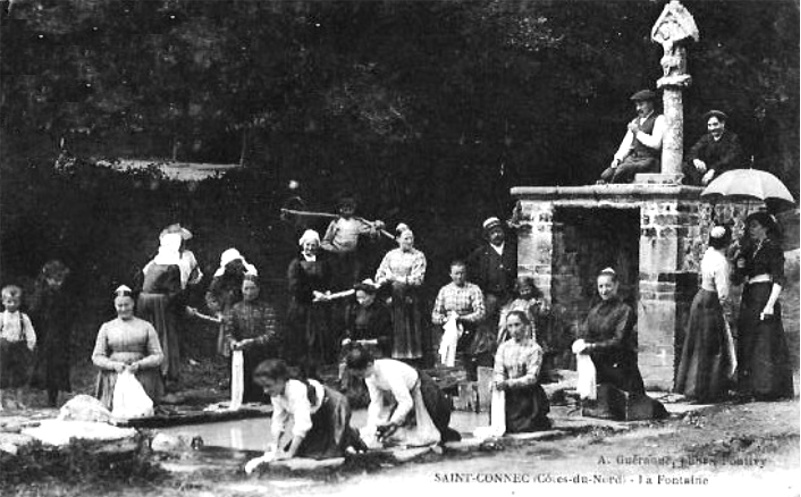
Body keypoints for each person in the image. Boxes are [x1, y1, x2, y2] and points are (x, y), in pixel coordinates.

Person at [574, 268, 667, 420]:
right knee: (599, 403)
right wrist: (581, 343)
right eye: (601, 287)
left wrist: (592, 347)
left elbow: (618, 341)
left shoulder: (625, 311)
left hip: (620, 366)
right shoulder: (595, 311)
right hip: (599, 364)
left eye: (608, 286)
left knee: (634, 409)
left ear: (616, 286)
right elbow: (586, 333)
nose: (604, 290)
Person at [250, 359, 364, 461]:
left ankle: (352, 437)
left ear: (281, 380)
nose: (265, 391)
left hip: (335, 406)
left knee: (332, 452)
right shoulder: (276, 395)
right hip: (316, 413)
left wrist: (290, 453)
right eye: (263, 387)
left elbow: (302, 425)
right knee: (308, 451)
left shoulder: (296, 391)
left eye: (268, 386)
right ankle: (350, 435)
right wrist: (275, 445)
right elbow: (278, 420)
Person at [345, 346, 460, 448]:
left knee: (426, 437)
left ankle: (443, 431)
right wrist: (372, 425)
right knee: (387, 436)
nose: (360, 378)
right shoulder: (369, 377)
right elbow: (375, 403)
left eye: (360, 374)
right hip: (406, 399)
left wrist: (393, 422)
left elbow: (406, 402)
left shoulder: (390, 372)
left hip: (422, 392)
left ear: (369, 365)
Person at [733, 212, 794, 400]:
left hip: (765, 294)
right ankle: (749, 386)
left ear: (765, 228)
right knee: (749, 338)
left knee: (765, 340)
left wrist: (769, 305)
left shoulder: (773, 248)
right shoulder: (749, 248)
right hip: (750, 296)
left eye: (755, 226)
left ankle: (767, 388)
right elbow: (738, 279)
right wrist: (740, 265)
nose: (751, 230)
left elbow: (778, 279)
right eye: (749, 226)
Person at [675, 226, 737, 402]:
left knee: (698, 343)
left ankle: (693, 386)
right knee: (712, 345)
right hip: (710, 302)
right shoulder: (721, 262)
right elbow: (723, 293)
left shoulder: (708, 254)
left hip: (700, 298)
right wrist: (729, 313)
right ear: (727, 241)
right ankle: (707, 389)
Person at [92, 285, 164, 410]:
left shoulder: (146, 326)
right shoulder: (107, 327)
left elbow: (158, 355)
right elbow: (97, 356)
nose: (123, 309)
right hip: (114, 375)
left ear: (133, 304)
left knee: (141, 409)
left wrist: (140, 364)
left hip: (141, 375)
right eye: (120, 306)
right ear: (115, 307)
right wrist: (113, 365)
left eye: (127, 305)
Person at [222, 275, 281, 404]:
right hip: (243, 354)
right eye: (246, 288)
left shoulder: (266, 308)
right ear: (242, 290)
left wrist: (254, 342)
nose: (249, 292)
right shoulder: (235, 309)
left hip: (263, 353)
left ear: (258, 290)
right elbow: (228, 331)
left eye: (252, 288)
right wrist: (233, 342)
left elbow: (272, 333)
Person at [375, 224, 427, 364]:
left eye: (411, 238)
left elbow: (417, 279)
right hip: (392, 295)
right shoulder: (390, 255)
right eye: (405, 239)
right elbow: (379, 275)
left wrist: (396, 279)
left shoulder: (418, 256)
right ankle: (394, 357)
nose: (409, 242)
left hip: (410, 296)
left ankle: (412, 358)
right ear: (397, 239)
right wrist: (385, 280)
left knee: (409, 326)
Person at [493, 311, 551, 433]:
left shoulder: (534, 348)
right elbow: (498, 371)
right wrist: (498, 381)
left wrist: (509, 383)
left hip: (528, 395)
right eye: (510, 326)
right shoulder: (503, 348)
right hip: (509, 396)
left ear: (526, 325)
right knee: (501, 425)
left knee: (525, 426)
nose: (514, 330)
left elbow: (532, 377)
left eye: (517, 325)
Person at [137, 232, 183, 384]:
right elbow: (174, 293)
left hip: (144, 302)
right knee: (165, 336)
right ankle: (165, 375)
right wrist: (181, 308)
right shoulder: (172, 267)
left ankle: (151, 374)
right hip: (160, 305)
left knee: (150, 335)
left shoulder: (152, 264)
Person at [29, 260, 75, 407]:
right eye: (54, 280)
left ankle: (54, 396)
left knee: (58, 365)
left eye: (60, 280)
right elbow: (34, 313)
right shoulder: (41, 294)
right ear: (47, 279)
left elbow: (70, 313)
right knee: (47, 365)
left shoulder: (64, 295)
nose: (58, 283)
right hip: (46, 334)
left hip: (60, 334)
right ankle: (48, 395)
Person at [431, 260, 486, 379]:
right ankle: (447, 373)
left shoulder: (474, 289)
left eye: (462, 273)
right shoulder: (444, 290)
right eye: (456, 273)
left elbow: (480, 312)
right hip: (447, 326)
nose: (459, 276)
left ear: (465, 274)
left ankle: (466, 374)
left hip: (468, 325)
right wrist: (445, 320)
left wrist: (462, 318)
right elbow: (435, 314)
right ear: (450, 275)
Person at [286, 230, 334, 364]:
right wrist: (312, 293)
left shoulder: (323, 263)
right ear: (302, 244)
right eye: (308, 245)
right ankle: (302, 368)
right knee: (303, 338)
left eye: (313, 245)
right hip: (302, 306)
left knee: (318, 338)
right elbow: (294, 286)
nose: (310, 248)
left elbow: (328, 280)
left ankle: (316, 368)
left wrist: (327, 291)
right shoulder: (296, 263)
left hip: (319, 306)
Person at [599, 89, 666, 184]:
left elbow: (656, 144)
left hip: (649, 160)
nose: (638, 108)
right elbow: (626, 145)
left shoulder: (659, 119)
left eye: (641, 105)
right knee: (606, 174)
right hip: (634, 159)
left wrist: (637, 132)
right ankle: (606, 185)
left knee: (623, 169)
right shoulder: (635, 122)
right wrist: (618, 159)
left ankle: (611, 189)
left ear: (650, 104)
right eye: (636, 105)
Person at [321, 194, 385, 291]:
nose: (347, 209)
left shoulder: (357, 222)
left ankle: (349, 302)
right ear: (340, 209)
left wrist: (377, 226)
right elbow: (325, 242)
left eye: (350, 207)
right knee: (337, 279)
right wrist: (333, 250)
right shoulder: (335, 222)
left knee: (351, 280)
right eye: (344, 207)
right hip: (337, 256)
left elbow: (371, 232)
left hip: (351, 256)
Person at [206, 248, 258, 356]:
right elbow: (211, 295)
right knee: (229, 342)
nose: (236, 267)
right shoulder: (220, 279)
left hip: (246, 310)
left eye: (237, 264)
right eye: (232, 265)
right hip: (228, 311)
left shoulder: (247, 274)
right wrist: (218, 312)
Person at [467, 217, 517, 331]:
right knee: (485, 323)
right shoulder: (481, 253)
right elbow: (471, 271)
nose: (496, 235)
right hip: (490, 295)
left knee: (505, 324)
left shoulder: (512, 249)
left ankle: (501, 348)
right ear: (487, 236)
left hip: (508, 295)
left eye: (498, 231)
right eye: (493, 233)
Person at [683, 110, 744, 186]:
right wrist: (696, 160)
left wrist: (713, 170)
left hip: (723, 172)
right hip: (707, 173)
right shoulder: (706, 138)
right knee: (686, 167)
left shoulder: (732, 138)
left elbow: (729, 159)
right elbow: (693, 150)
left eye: (715, 124)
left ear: (723, 124)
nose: (712, 128)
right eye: (709, 125)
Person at [0, 285, 37, 411]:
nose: (12, 304)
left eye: (15, 302)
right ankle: (1, 402)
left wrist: (30, 344)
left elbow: (29, 331)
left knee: (19, 375)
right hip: (3, 347)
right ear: (3, 301)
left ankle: (19, 401)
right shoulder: (1, 317)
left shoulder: (23, 317)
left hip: (18, 347)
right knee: (2, 374)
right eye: (9, 301)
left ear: (19, 302)